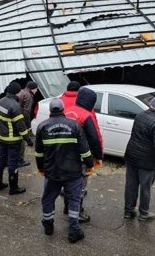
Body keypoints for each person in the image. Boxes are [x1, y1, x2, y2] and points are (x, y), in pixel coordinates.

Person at [35, 99, 94, 244]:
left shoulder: (42, 127)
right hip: (72, 173)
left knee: (48, 199)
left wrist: (41, 168)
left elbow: (38, 153)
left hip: (52, 172)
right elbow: (85, 150)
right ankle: (74, 231)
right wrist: (89, 165)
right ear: (63, 110)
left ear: (50, 110)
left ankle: (48, 226)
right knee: (74, 200)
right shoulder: (74, 125)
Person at [123, 96, 155, 221]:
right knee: (145, 188)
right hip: (147, 161)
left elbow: (144, 130)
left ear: (151, 104)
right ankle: (144, 214)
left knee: (131, 185)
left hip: (131, 156)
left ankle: (128, 212)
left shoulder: (140, 115)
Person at [64, 87, 103, 223]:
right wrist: (98, 156)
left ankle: (67, 207)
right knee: (80, 186)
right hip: (80, 157)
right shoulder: (86, 115)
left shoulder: (66, 111)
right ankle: (77, 212)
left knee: (67, 182)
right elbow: (94, 138)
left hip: (63, 156)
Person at [0, 81, 32, 195]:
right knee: (12, 163)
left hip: (2, 137)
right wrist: (28, 139)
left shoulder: (0, 102)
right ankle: (13, 188)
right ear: (17, 92)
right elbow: (20, 126)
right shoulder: (15, 106)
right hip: (13, 140)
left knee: (1, 160)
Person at [17, 80, 38, 167]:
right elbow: (26, 112)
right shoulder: (29, 96)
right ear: (32, 89)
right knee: (22, 139)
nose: (37, 90)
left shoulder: (21, 91)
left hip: (14, 116)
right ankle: (20, 160)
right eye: (36, 88)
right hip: (20, 117)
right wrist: (28, 125)